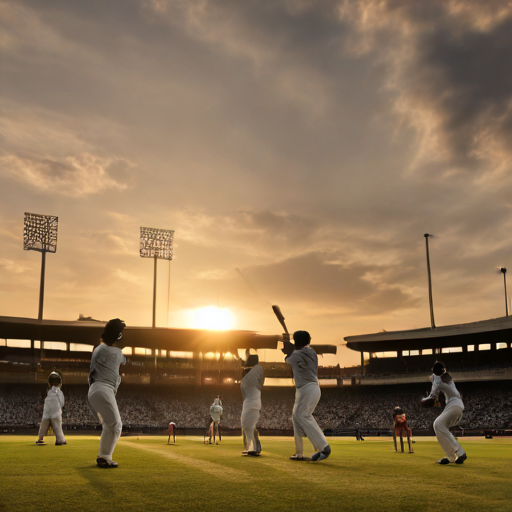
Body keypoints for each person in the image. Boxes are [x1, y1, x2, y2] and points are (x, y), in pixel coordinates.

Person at [282, 330, 331, 462]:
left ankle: (324, 447)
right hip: (305, 390)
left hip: (308, 389)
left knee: (303, 415)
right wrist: (289, 350)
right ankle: (299, 453)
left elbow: (287, 361)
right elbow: (292, 358)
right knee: (296, 417)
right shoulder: (311, 352)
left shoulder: (299, 353)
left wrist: (288, 351)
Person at [87, 318, 126, 468]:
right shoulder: (117, 352)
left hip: (93, 389)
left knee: (108, 425)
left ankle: (103, 456)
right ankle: (106, 457)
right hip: (104, 389)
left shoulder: (98, 348)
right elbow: (124, 360)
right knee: (116, 425)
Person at [421, 361, 467, 465]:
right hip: (457, 405)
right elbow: (444, 376)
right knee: (439, 427)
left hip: (454, 404)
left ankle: (460, 451)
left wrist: (423, 400)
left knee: (438, 424)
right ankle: (450, 456)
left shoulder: (437, 380)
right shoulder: (447, 377)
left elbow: (433, 395)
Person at [240, 354, 265, 456]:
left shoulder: (250, 371)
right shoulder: (257, 371)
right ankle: (254, 447)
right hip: (253, 401)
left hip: (251, 402)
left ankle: (253, 448)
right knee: (249, 426)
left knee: (247, 425)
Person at [35, 371, 67, 446]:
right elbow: (62, 402)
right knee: (57, 426)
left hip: (47, 411)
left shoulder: (49, 392)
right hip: (55, 411)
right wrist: (60, 408)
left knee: (43, 426)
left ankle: (40, 439)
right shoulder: (59, 392)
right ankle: (60, 440)